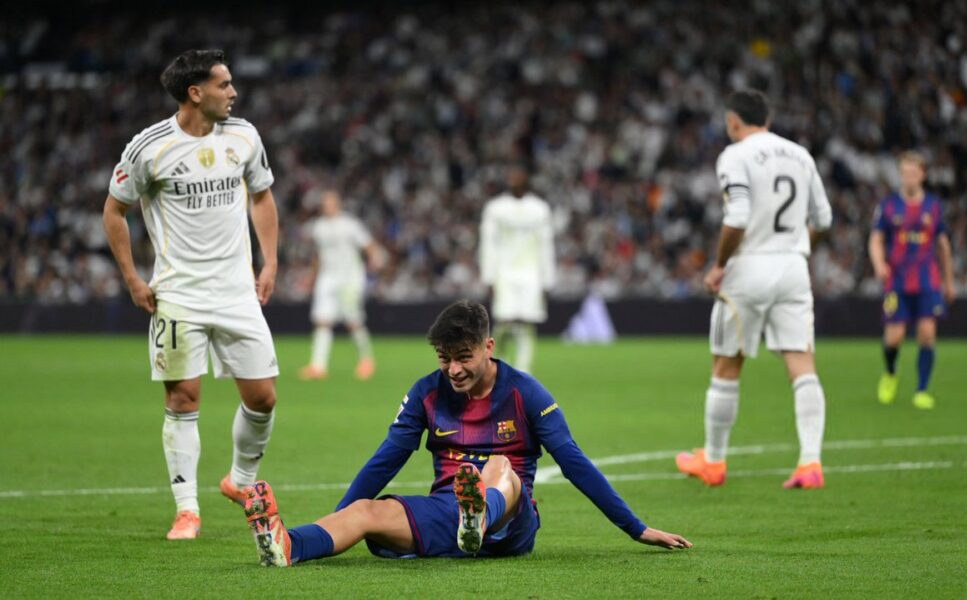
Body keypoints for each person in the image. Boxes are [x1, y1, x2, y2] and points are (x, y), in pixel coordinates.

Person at [243, 300, 691, 566]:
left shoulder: (526, 393)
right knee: (366, 511)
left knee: (500, 466)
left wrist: (636, 529)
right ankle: (287, 545)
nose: (453, 369)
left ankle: (480, 514)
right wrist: (338, 518)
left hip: (512, 524)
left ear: (488, 347)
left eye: (463, 356)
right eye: (444, 358)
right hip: (446, 513)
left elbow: (573, 462)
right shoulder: (426, 394)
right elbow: (387, 459)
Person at [102, 49, 280, 540]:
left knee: (263, 397)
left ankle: (238, 481)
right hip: (178, 294)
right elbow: (113, 212)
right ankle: (186, 509)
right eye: (224, 85)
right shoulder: (149, 147)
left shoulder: (244, 136)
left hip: (237, 291)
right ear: (195, 93)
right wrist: (134, 278)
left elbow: (262, 195)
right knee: (183, 398)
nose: (234, 93)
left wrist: (271, 260)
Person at [675, 89, 833, 490]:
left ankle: (713, 460)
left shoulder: (735, 155)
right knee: (802, 364)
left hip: (750, 267)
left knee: (727, 365)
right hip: (793, 265)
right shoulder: (800, 154)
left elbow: (738, 216)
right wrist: (794, 251)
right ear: (768, 117)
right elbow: (824, 218)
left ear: (733, 120)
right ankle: (810, 463)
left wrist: (720, 265)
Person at [868, 152, 955, 410]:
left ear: (923, 174)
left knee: (927, 334)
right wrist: (879, 264)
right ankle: (891, 372)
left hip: (928, 279)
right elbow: (876, 238)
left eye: (913, 172)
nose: (909, 176)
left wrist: (949, 280)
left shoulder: (934, 205)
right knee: (894, 337)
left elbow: (943, 244)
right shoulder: (889, 205)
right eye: (904, 172)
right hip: (896, 280)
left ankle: (922, 389)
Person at [298, 190, 383, 381]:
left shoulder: (350, 224)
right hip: (327, 278)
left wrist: (375, 260)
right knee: (322, 321)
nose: (326, 206)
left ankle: (366, 360)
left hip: (350, 278)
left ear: (337, 204)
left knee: (353, 321)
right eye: (324, 203)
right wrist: (312, 278)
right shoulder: (318, 227)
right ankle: (318, 366)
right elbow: (318, 256)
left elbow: (369, 245)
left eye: (330, 202)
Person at [478, 165, 556, 373]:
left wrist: (547, 279)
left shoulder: (539, 209)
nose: (515, 178)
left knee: (526, 325)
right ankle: (498, 365)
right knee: (504, 322)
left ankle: (523, 371)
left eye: (519, 174)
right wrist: (489, 277)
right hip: (504, 273)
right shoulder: (496, 208)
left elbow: (546, 245)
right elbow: (488, 244)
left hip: (531, 274)